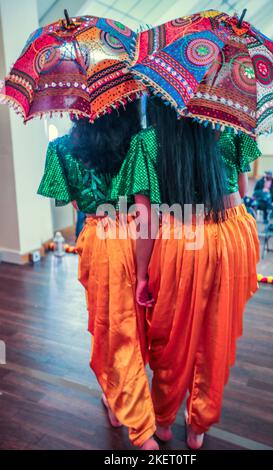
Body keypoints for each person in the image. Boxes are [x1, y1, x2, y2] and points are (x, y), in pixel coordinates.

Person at [125, 97, 261, 450]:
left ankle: (164, 421)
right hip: (231, 234)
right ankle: (199, 424)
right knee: (217, 334)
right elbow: (243, 191)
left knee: (171, 335)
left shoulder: (147, 142)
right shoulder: (232, 128)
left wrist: (141, 276)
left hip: (181, 237)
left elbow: (146, 222)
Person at [37, 100, 159, 450]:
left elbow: (75, 204)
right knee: (133, 327)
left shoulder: (61, 149)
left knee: (109, 326)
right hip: (142, 237)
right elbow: (147, 201)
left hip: (100, 240)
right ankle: (127, 407)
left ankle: (130, 416)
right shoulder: (140, 141)